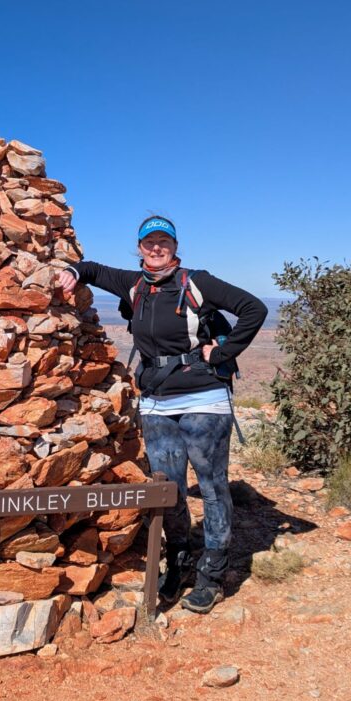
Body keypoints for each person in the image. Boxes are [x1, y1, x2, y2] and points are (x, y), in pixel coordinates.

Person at [57, 215, 267, 613]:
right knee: (167, 489)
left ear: (174, 246)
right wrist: (71, 272)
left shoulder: (196, 281)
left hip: (204, 399)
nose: (157, 248)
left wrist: (221, 354)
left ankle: (213, 574)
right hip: (155, 401)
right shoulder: (133, 285)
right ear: (139, 248)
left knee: (212, 485)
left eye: (164, 242)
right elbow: (93, 269)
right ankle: (180, 561)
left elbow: (253, 309)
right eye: (149, 242)